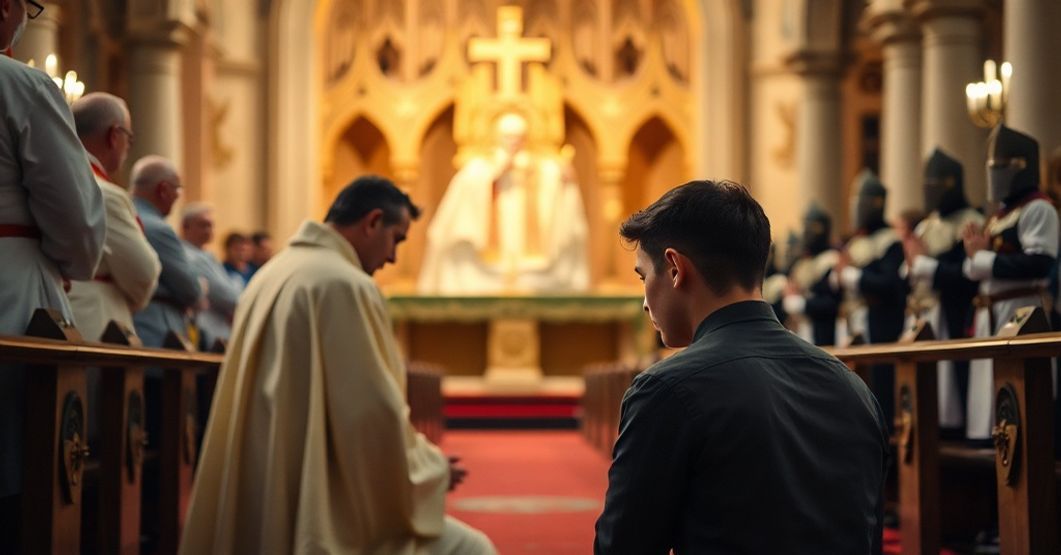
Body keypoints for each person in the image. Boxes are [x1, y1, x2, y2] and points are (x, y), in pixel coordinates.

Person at [181, 175, 496, 554]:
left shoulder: (271, 274)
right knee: (471, 549)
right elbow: (369, 413)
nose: (394, 256)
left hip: (266, 493)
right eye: (396, 239)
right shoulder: (344, 285)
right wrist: (430, 470)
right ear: (373, 221)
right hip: (322, 505)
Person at [594, 180, 887, 554]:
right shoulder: (854, 389)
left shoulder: (665, 389)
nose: (645, 303)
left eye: (642, 276)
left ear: (674, 268)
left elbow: (623, 546)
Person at [0, 0, 106, 544]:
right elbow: (79, 225)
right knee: (24, 487)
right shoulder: (22, 86)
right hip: (12, 296)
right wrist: (70, 261)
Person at [418, 112, 589, 293]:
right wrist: (494, 174)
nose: (514, 142)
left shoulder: (539, 166)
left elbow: (553, 178)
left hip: (531, 250)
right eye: (508, 137)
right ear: (497, 138)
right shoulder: (480, 167)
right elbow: (464, 193)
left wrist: (565, 178)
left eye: (519, 137)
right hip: (487, 253)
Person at [962, 125, 1058, 441]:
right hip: (993, 311)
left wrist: (983, 259)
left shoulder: (1038, 208)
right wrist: (976, 256)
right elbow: (979, 268)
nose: (996, 174)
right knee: (989, 395)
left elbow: (1039, 262)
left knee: (1021, 397)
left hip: (1021, 309)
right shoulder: (1001, 215)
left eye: (1002, 167)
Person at [68, 92, 161, 342]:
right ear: (114, 135)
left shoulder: (48, 179)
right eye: (128, 139)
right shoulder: (104, 195)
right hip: (94, 322)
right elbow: (143, 273)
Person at [903, 148, 983, 435]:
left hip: (952, 311)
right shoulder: (926, 225)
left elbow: (963, 271)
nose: (930, 190)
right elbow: (909, 270)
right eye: (927, 183)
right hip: (922, 311)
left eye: (937, 184)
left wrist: (924, 261)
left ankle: (954, 434)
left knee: (952, 379)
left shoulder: (970, 220)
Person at [835, 169, 908, 429]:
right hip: (855, 321)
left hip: (881, 323)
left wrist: (852, 275)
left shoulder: (890, 241)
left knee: (881, 388)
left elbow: (888, 284)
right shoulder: (855, 242)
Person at [130, 155, 203, 348]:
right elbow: (191, 290)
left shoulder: (122, 215)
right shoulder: (158, 229)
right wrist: (201, 287)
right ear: (163, 189)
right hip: (155, 330)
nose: (179, 196)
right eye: (178, 189)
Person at [180, 202, 241, 349]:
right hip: (206, 333)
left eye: (211, 225)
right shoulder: (190, 256)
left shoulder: (206, 255)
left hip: (219, 331)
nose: (209, 230)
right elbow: (226, 295)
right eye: (203, 225)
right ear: (186, 226)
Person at [782, 204, 842, 346]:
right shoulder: (800, 264)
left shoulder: (832, 260)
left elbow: (832, 304)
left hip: (826, 333)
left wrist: (802, 304)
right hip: (801, 330)